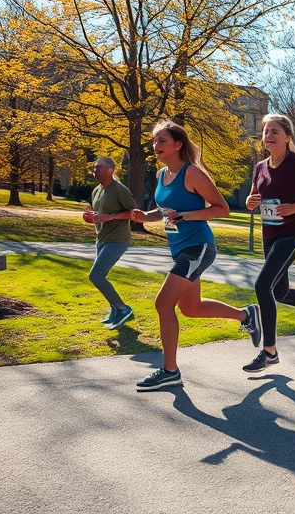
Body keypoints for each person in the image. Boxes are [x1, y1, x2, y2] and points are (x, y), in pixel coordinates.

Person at [130, 120, 260, 391]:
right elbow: (166, 211)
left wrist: (186, 216)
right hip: (180, 248)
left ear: (178, 144)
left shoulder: (192, 174)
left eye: (162, 140)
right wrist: (146, 216)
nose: (156, 146)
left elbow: (221, 208)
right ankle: (246, 316)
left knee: (163, 304)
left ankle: (170, 371)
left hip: (198, 247)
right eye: (154, 141)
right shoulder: (161, 174)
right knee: (191, 308)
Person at [241, 114, 295, 373]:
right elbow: (254, 195)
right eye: (265, 132)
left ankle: (269, 352)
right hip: (269, 234)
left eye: (274, 132)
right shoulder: (259, 166)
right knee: (279, 293)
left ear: (287, 137)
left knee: (262, 285)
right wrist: (250, 201)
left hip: (293, 233)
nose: (268, 136)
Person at [82, 156, 138, 330]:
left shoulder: (119, 190)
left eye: (98, 167)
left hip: (118, 240)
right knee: (100, 276)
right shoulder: (96, 190)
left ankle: (123, 308)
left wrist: (110, 217)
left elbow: (134, 212)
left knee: (96, 276)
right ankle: (115, 310)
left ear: (110, 169)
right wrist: (91, 218)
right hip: (102, 238)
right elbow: (99, 214)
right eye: (94, 167)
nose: (94, 170)